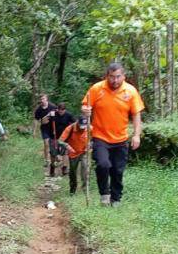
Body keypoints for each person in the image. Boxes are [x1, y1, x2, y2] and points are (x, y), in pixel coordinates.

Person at [81, 63, 144, 206]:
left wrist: (136, 135)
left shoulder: (130, 91)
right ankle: (104, 194)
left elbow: (136, 114)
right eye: (111, 77)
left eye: (118, 77)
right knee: (103, 164)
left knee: (117, 170)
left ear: (124, 76)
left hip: (121, 138)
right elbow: (85, 105)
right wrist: (86, 110)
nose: (115, 80)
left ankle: (116, 199)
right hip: (100, 136)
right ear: (106, 76)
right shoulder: (97, 89)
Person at [59, 115, 90, 195]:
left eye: (84, 126)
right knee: (73, 172)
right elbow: (60, 141)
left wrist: (90, 145)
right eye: (81, 126)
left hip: (84, 152)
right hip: (73, 153)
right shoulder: (70, 128)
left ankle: (85, 190)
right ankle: (72, 189)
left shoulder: (89, 128)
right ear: (77, 123)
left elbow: (96, 139)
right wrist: (67, 146)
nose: (82, 128)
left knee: (85, 169)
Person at [48, 102, 75, 177]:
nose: (60, 112)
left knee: (65, 153)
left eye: (62, 110)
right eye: (59, 110)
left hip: (64, 137)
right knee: (53, 154)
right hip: (53, 136)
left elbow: (75, 124)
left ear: (65, 110)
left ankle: (65, 168)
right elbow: (46, 121)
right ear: (57, 109)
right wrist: (50, 117)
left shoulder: (69, 115)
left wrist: (70, 130)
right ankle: (52, 168)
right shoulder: (53, 114)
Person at [33, 94, 57, 172]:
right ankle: (47, 160)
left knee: (53, 144)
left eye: (43, 99)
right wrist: (34, 131)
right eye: (41, 99)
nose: (42, 100)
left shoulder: (52, 106)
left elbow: (58, 114)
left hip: (53, 128)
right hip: (44, 128)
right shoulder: (39, 109)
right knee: (46, 144)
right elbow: (36, 120)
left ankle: (55, 157)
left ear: (46, 99)